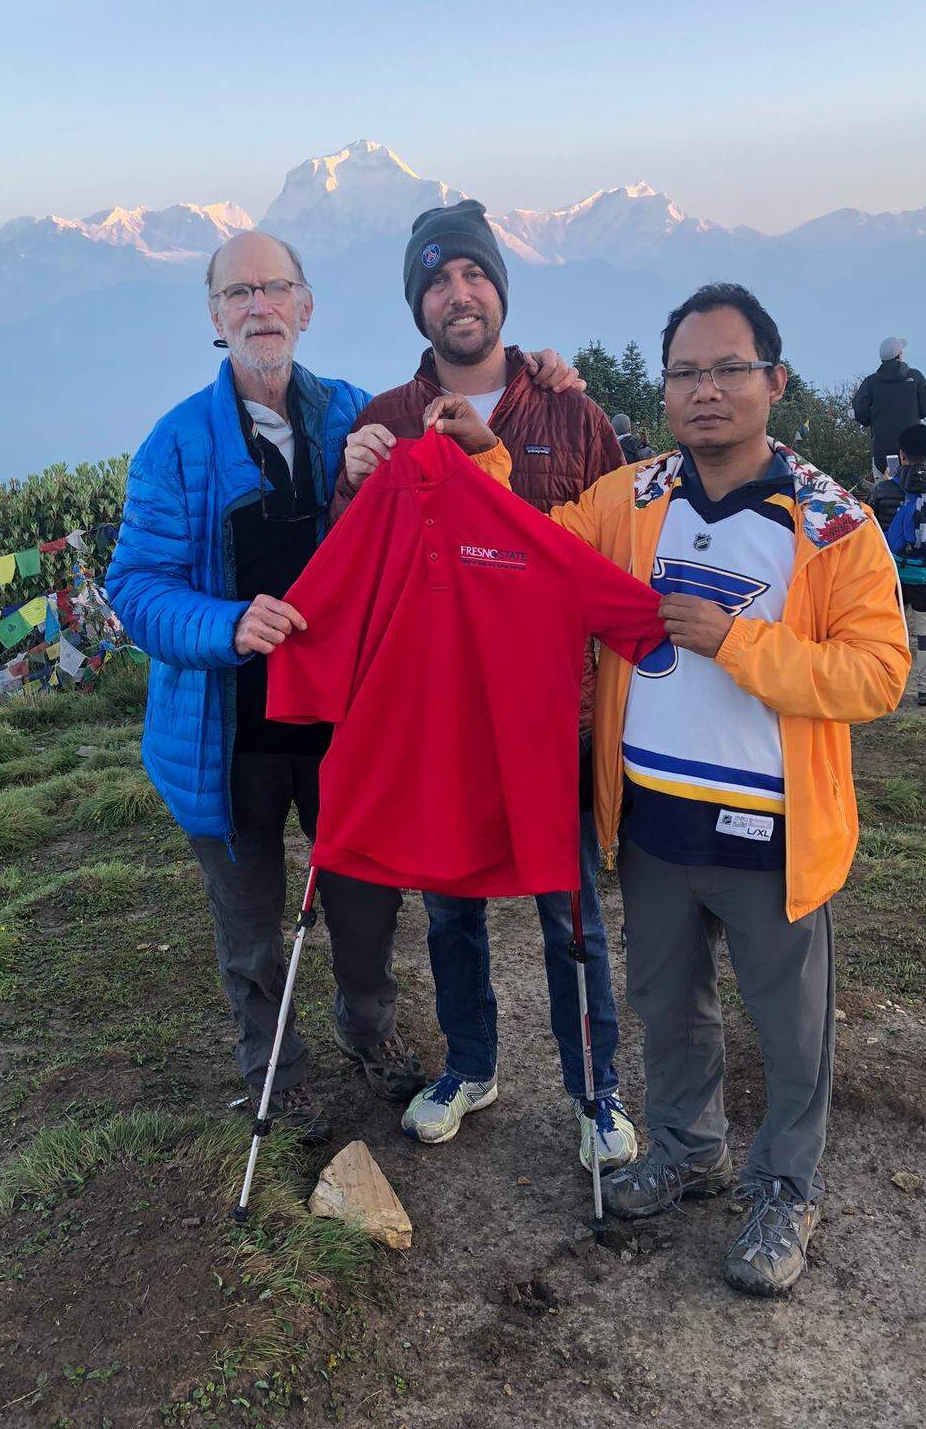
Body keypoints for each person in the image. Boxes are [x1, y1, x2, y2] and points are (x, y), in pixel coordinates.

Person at [106, 230, 578, 1138]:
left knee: (367, 904)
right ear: (215, 317)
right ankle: (270, 1076)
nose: (259, 307)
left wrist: (544, 373)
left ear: (306, 306)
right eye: (238, 294)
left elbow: (460, 458)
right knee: (249, 927)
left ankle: (372, 1036)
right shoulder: (173, 446)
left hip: (349, 730)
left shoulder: (357, 416)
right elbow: (134, 587)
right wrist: (227, 624)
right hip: (226, 733)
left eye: (274, 288)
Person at [543, 283, 909, 1297]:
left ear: (774, 382)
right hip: (655, 818)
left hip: (772, 828)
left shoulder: (831, 524)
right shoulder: (635, 496)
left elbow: (877, 673)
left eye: (728, 369)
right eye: (686, 373)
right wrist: (470, 461)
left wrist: (740, 641)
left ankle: (787, 1184)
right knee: (668, 1003)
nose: (706, 390)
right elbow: (545, 546)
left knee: (791, 1027)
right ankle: (686, 1144)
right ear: (665, 391)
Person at [333, 198, 637, 1174]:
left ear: (500, 287)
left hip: (556, 715)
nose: (456, 295)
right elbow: (355, 567)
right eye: (435, 281)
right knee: (452, 907)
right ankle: (472, 1063)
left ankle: (598, 1091)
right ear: (417, 304)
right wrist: (350, 477)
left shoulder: (572, 413)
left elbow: (615, 557)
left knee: (568, 906)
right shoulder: (385, 419)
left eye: (472, 275)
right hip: (443, 721)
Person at [869, 423, 926, 706]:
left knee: (885, 631)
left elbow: (868, 535)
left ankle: (882, 688)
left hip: (888, 576)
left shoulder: (883, 490)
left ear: (901, 455)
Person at [853, 336, 926, 480]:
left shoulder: (871, 382)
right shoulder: (916, 377)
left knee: (884, 490)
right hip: (912, 450)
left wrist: (872, 419)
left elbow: (860, 411)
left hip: (882, 449)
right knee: (915, 488)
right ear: (899, 355)